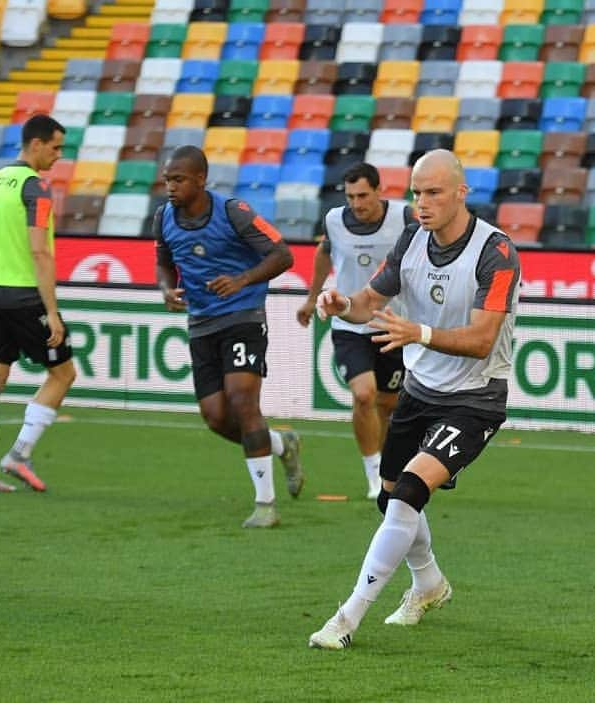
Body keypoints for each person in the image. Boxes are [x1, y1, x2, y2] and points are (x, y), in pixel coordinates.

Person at [307, 149, 521, 649]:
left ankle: (345, 619)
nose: (422, 203)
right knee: (392, 500)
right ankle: (429, 584)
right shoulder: (412, 238)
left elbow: (482, 339)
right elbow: (370, 301)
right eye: (417, 193)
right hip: (421, 391)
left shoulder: (497, 251)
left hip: (474, 399)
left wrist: (419, 333)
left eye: (434, 192)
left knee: (406, 494)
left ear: (461, 193)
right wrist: (343, 304)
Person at [154, 145, 304, 528]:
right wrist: (167, 289)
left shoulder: (233, 212)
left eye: (179, 180)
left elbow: (282, 255)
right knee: (216, 417)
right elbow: (163, 264)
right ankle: (281, 445)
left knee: (242, 402)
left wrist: (241, 280)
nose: (170, 187)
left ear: (201, 179)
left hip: (243, 317)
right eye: (168, 180)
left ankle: (266, 505)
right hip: (201, 324)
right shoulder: (163, 218)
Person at [296, 162, 415, 500]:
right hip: (349, 323)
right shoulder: (334, 220)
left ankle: (385, 469)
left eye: (363, 195)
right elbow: (323, 254)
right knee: (364, 394)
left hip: (391, 325)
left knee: (388, 404)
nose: (357, 203)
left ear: (379, 191)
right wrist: (311, 299)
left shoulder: (404, 218)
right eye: (350, 196)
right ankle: (373, 473)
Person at [0, 114, 77, 493]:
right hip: (23, 295)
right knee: (63, 374)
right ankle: (19, 453)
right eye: (55, 147)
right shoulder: (35, 188)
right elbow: (39, 252)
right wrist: (51, 312)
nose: (58, 155)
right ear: (36, 144)